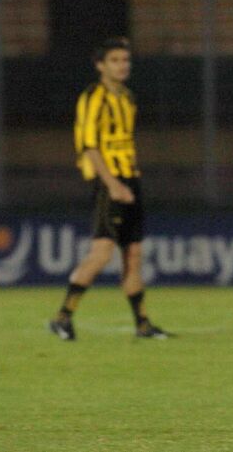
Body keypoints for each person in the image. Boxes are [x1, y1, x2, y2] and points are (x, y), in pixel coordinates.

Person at [49, 37, 169, 340]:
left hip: (130, 179)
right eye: (115, 60)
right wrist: (112, 184)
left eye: (125, 60)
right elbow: (89, 146)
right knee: (102, 253)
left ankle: (142, 324)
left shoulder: (127, 97)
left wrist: (128, 181)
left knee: (134, 255)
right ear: (100, 65)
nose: (122, 65)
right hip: (108, 183)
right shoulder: (93, 97)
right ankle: (63, 316)